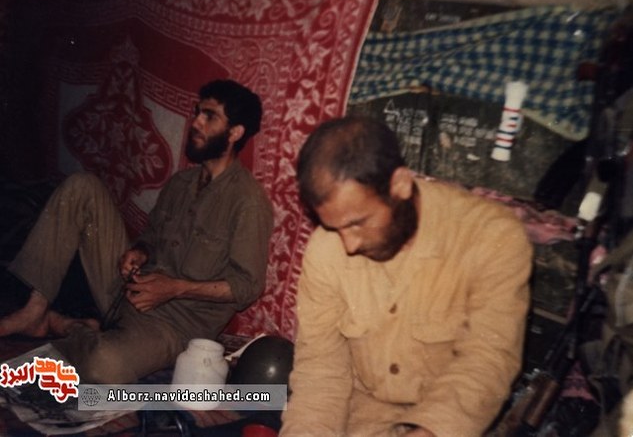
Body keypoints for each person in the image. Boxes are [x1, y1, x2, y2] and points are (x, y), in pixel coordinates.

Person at [0, 79, 274, 384]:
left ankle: (71, 327)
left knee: (104, 366)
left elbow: (247, 286)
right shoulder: (181, 183)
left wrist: (175, 288)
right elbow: (151, 236)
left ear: (235, 133)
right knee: (82, 187)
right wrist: (139, 251)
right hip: (127, 291)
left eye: (209, 116)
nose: (195, 122)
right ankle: (35, 311)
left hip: (173, 326)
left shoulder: (248, 201)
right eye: (197, 112)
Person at [280, 116, 533, 437]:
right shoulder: (325, 250)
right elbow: (320, 371)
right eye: (334, 227)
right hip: (362, 416)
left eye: (357, 223)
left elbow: (487, 361)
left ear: (399, 184)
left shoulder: (492, 237)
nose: (349, 244)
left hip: (454, 419)